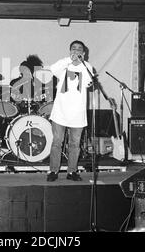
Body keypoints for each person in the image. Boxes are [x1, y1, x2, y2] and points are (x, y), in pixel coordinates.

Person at [47, 40, 94, 182]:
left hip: (77, 113)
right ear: (69, 51)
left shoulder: (87, 67)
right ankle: (53, 171)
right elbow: (53, 69)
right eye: (73, 48)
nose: (76, 51)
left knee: (75, 144)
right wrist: (69, 59)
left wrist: (82, 64)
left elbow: (89, 82)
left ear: (84, 53)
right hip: (60, 111)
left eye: (80, 49)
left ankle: (72, 171)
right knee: (57, 142)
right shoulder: (64, 64)